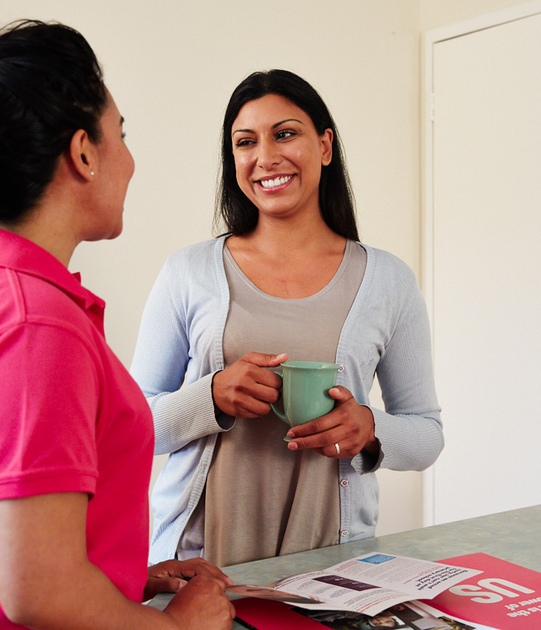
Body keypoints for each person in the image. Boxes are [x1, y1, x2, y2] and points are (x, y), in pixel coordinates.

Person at [0, 20, 234, 629]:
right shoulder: (33, 327)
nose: (128, 160)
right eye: (119, 135)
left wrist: (123, 572)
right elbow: (40, 592)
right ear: (82, 152)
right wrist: (179, 627)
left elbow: (12, 535)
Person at [131, 69, 443, 568]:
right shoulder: (186, 272)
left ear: (324, 146)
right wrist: (210, 395)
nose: (265, 157)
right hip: (199, 564)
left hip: (336, 565)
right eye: (245, 142)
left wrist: (369, 427)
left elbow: (427, 435)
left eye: (285, 133)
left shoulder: (388, 280)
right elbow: (134, 426)